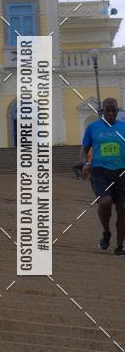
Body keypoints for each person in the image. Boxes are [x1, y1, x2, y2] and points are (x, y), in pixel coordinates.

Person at [80, 97, 125, 254]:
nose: (111, 113)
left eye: (114, 110)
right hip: (100, 171)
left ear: (117, 111)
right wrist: (85, 163)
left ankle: (119, 246)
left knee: (123, 208)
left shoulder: (123, 127)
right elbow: (84, 150)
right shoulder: (93, 127)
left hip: (121, 172)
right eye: (108, 110)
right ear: (102, 111)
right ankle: (106, 231)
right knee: (105, 202)